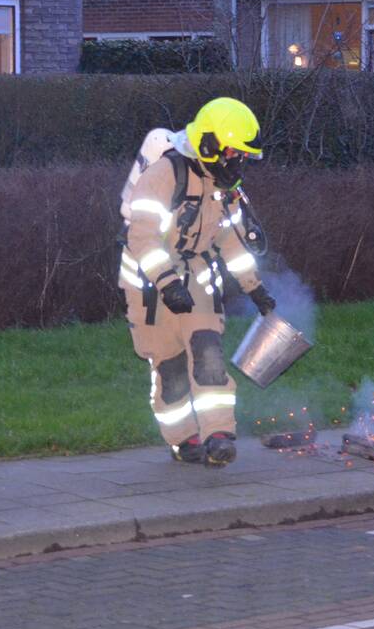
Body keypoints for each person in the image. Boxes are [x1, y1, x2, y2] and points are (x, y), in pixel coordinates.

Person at [118, 98, 276, 467]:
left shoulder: (221, 185)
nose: (237, 162)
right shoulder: (163, 176)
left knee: (208, 352)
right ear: (209, 144)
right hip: (148, 286)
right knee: (170, 369)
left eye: (241, 155)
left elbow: (230, 238)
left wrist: (254, 287)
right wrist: (167, 282)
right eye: (233, 153)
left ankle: (219, 435)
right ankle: (182, 439)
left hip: (197, 279)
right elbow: (142, 237)